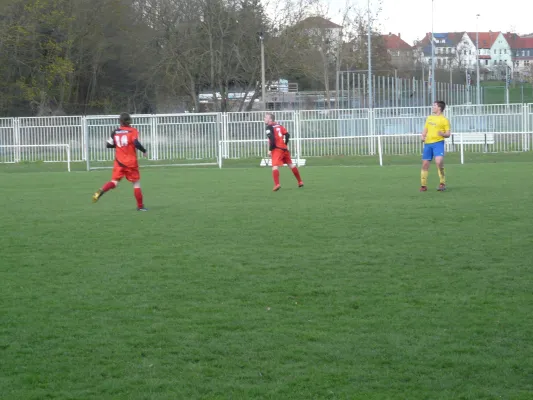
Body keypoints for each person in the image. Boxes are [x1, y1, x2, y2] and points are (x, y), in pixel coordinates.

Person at [92, 112, 148, 211]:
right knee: (136, 184)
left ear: (120, 121)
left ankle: (101, 191)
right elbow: (136, 143)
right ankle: (140, 206)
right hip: (130, 163)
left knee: (114, 182)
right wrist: (144, 150)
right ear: (129, 121)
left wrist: (118, 145)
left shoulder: (115, 132)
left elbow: (108, 145)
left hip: (119, 162)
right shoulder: (132, 131)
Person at [265, 112, 303, 191]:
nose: (264, 119)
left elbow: (272, 139)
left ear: (270, 119)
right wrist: (285, 144)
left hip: (276, 149)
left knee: (275, 166)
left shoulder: (269, 127)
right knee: (291, 164)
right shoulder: (279, 126)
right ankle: (300, 182)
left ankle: (277, 184)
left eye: (266, 117)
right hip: (284, 148)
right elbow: (287, 135)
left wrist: (270, 150)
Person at [420, 100, 451, 192]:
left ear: (439, 108)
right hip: (428, 144)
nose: (433, 107)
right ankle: (423, 186)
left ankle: (442, 183)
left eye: (434, 106)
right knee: (425, 164)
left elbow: (448, 134)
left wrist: (443, 133)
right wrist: (423, 136)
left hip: (438, 143)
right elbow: (425, 130)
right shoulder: (429, 118)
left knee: (439, 161)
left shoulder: (444, 120)